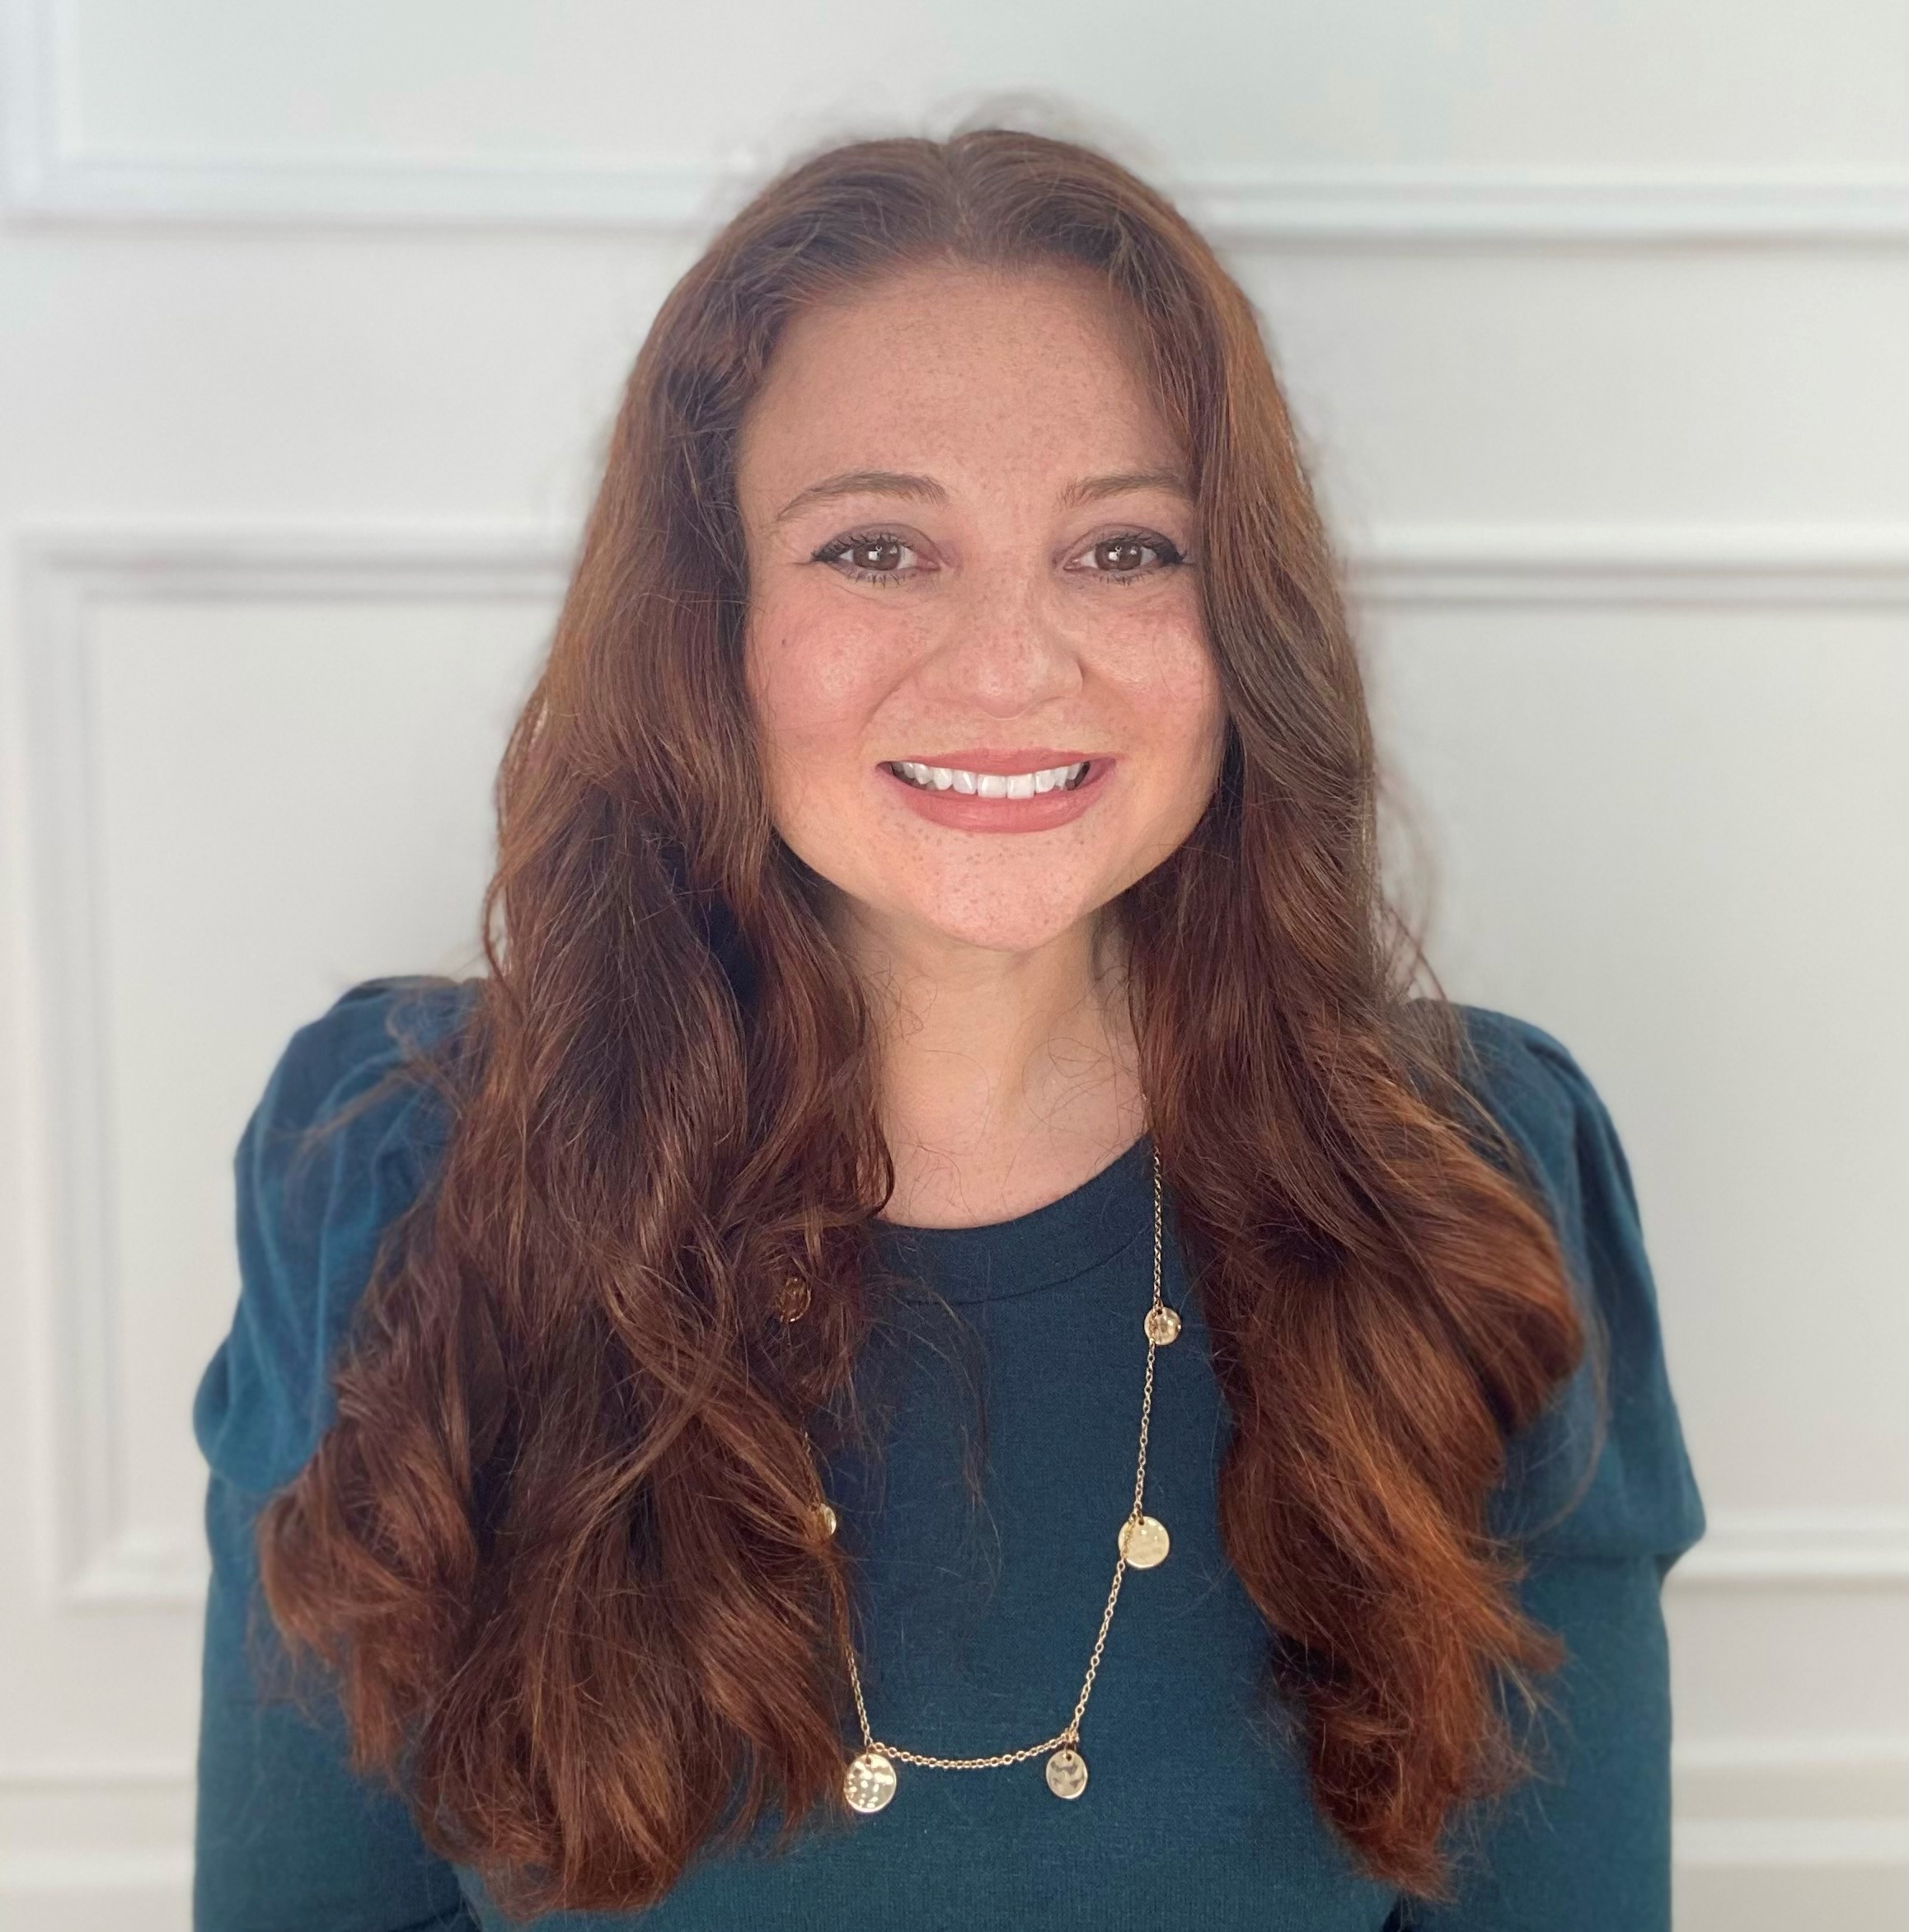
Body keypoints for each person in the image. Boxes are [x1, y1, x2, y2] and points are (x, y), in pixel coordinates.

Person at [190, 127, 1706, 1931]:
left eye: (1127, 546)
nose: (1010, 663)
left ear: (1243, 621)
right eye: (881, 548)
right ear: (710, 617)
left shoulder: (1469, 1185)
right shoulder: (392, 1173)